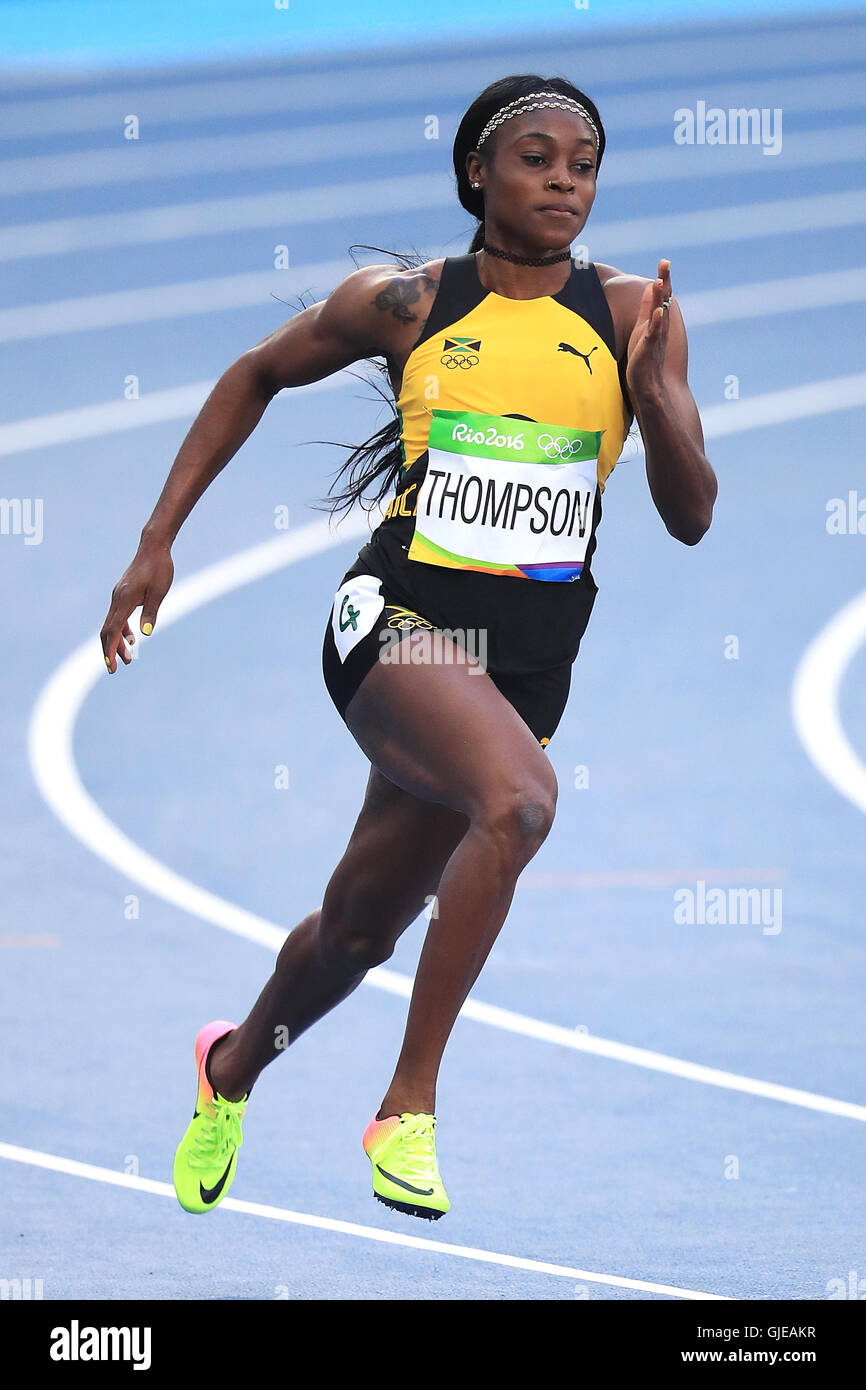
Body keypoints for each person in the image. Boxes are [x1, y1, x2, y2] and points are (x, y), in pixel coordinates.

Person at [100, 74, 717, 1222]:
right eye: (536, 160)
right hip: (395, 624)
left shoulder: (636, 314)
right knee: (520, 803)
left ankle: (227, 1068)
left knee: (357, 929)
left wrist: (655, 400)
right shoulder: (404, 302)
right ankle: (408, 1106)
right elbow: (254, 374)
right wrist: (155, 542)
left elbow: (689, 514)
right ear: (477, 173)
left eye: (582, 165)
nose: (564, 183)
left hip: (522, 664)